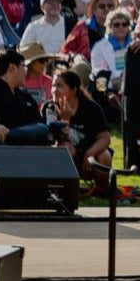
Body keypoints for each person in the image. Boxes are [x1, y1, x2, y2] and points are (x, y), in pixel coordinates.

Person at [52, 68, 115, 196]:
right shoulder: (49, 108)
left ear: (74, 89)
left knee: (104, 155)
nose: (54, 90)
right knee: (65, 149)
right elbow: (55, 142)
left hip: (90, 156)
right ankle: (67, 190)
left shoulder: (90, 107)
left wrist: (89, 153)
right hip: (70, 157)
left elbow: (105, 137)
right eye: (53, 85)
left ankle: (101, 190)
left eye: (60, 86)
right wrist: (64, 121)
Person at [0, 48, 51, 144]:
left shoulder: (25, 96)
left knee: (43, 129)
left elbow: (38, 123)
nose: (26, 71)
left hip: (24, 146)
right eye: (24, 67)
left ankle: (6, 136)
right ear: (12, 68)